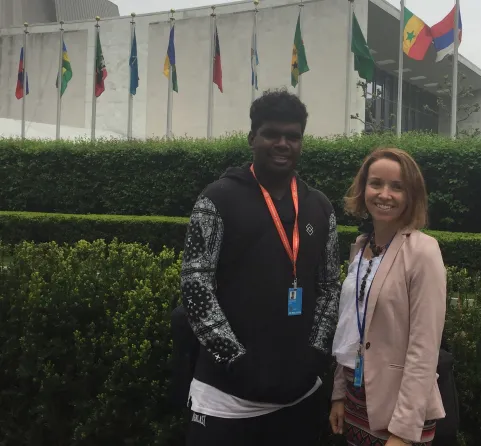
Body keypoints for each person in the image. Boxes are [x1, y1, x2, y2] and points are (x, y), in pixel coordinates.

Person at [179, 89, 341, 445]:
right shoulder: (217, 199)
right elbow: (195, 285)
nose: (282, 143)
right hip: (227, 397)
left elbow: (330, 285)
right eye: (272, 134)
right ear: (253, 138)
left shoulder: (319, 206)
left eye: (293, 136)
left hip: (299, 394)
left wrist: (315, 353)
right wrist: (235, 360)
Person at [329, 148, 447, 445]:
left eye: (397, 187)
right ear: (363, 188)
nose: (384, 194)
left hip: (401, 408)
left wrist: (403, 432)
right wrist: (339, 393)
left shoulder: (423, 251)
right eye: (376, 183)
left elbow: (424, 349)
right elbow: (351, 328)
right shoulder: (360, 246)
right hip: (357, 399)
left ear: (412, 195)